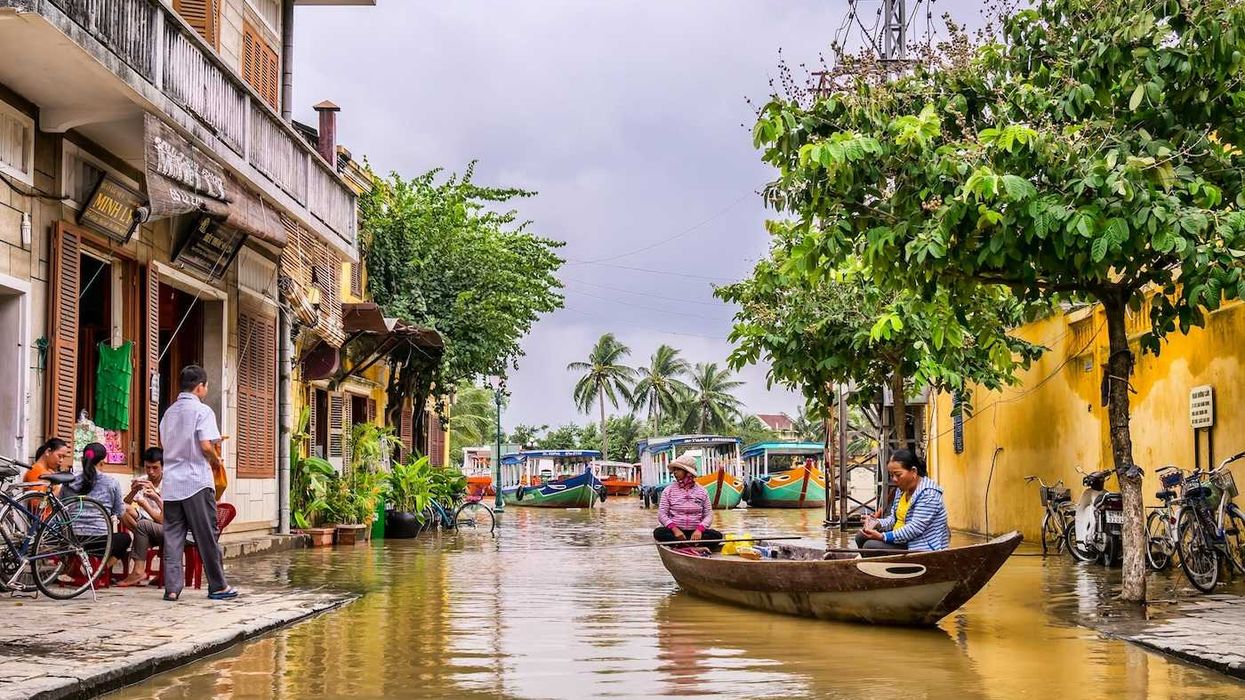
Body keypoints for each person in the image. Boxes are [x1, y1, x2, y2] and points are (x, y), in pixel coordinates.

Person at [159, 365, 237, 601]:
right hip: (196, 481)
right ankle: (218, 586)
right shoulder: (203, 411)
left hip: (172, 482)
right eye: (206, 385)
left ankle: (172, 589)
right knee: (206, 535)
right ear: (200, 386)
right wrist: (215, 460)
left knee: (173, 537)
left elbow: (164, 445)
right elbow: (205, 445)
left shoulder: (168, 413)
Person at [855, 449, 950, 552]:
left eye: (898, 475)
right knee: (861, 536)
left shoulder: (929, 494)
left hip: (919, 545)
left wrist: (883, 536)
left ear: (913, 471)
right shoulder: (901, 491)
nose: (894, 479)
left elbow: (914, 528)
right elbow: (893, 520)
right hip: (903, 541)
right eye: (891, 475)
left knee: (870, 546)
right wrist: (875, 523)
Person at [63, 442, 132, 565]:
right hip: (100, 542)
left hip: (71, 539)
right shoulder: (111, 482)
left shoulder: (69, 480)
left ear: (82, 459)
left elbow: (62, 505)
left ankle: (77, 569)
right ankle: (101, 570)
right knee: (126, 538)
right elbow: (119, 512)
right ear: (102, 462)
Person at [117, 447, 164, 588]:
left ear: (163, 466)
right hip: (145, 523)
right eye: (148, 467)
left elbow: (162, 519)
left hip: (163, 524)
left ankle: (138, 570)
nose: (151, 472)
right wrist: (133, 491)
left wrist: (154, 494)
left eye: (155, 468)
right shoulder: (142, 479)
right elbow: (124, 504)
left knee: (143, 526)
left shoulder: (170, 482)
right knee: (123, 509)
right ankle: (144, 539)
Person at [653, 454, 723, 548]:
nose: (675, 473)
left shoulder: (702, 491)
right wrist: (675, 529)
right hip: (676, 533)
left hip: (696, 533)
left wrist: (699, 529)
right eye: (674, 470)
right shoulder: (668, 491)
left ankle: (685, 545)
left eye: (678, 470)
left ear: (688, 472)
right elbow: (662, 514)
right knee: (658, 532)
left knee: (717, 535)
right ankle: (689, 545)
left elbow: (709, 515)